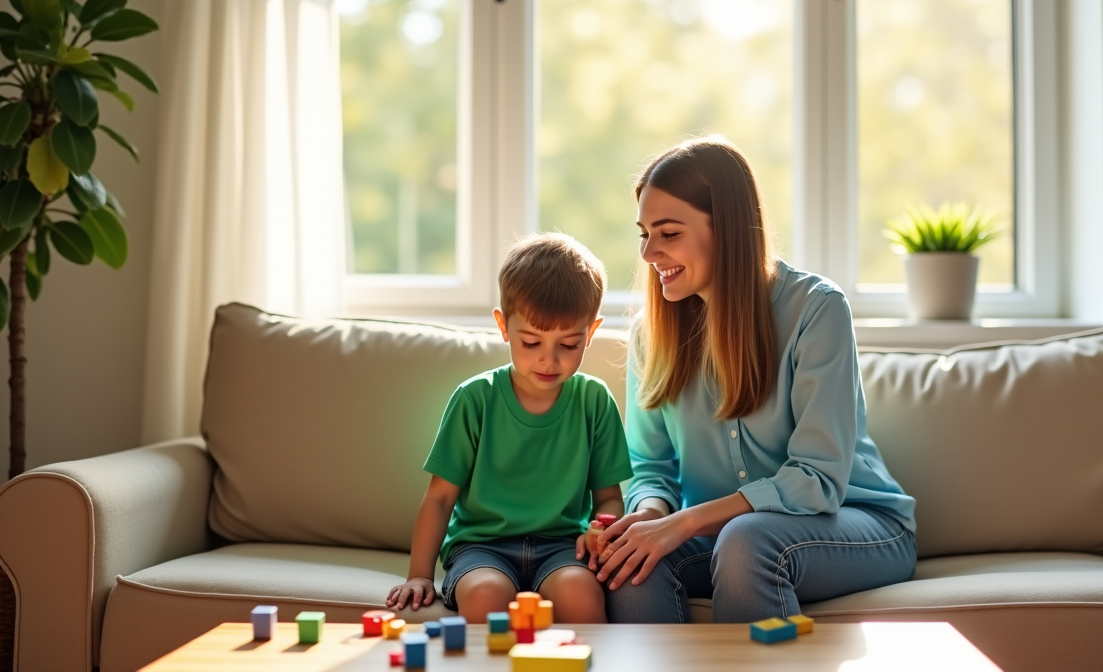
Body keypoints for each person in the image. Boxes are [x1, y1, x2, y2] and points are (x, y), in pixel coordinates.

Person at [596, 137, 917, 623]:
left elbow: (817, 477)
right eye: (643, 233)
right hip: (720, 536)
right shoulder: (650, 334)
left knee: (746, 539)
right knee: (631, 564)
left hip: (857, 524)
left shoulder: (816, 309)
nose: (648, 252)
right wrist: (651, 517)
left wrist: (686, 522)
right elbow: (651, 466)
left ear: (724, 228)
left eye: (667, 233)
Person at [387, 233, 633, 622]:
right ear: (503, 326)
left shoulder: (595, 401)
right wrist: (419, 575)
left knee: (581, 593)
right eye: (531, 342)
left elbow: (608, 498)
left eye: (568, 345)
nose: (548, 361)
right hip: (482, 548)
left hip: (564, 548)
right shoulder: (474, 399)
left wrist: (599, 529)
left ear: (591, 332)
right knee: (485, 595)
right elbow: (438, 499)